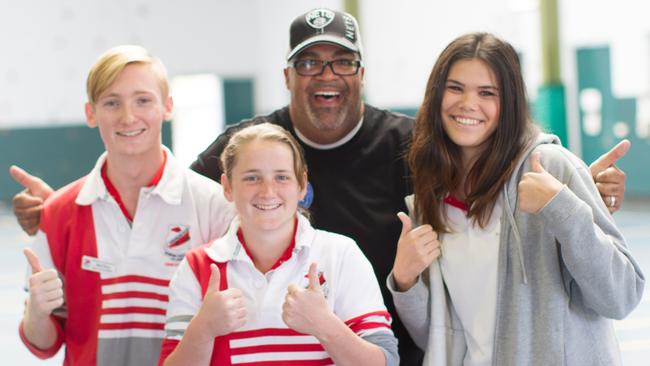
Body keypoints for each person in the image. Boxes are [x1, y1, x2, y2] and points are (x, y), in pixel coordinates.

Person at [9, 8, 630, 366]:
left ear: (360, 74)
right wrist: (63, 204)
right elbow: (155, 179)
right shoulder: (251, 144)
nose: (325, 75)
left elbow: (492, 170)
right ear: (288, 75)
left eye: (340, 62)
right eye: (310, 62)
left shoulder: (414, 149)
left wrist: (574, 194)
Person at [388, 32, 644, 366]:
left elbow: (621, 296)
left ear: (508, 103)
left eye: (487, 93)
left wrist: (563, 208)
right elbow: (437, 337)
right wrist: (405, 281)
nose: (468, 103)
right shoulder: (431, 199)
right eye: (455, 88)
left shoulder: (550, 167)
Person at [18, 45, 233, 366]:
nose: (128, 117)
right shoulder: (59, 211)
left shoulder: (215, 205)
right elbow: (44, 344)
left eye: (143, 100)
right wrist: (36, 312)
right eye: (112, 103)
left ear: (167, 106)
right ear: (91, 113)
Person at [158, 123, 398, 365]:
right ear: (228, 187)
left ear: (302, 186)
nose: (267, 191)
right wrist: (202, 330)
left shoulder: (341, 255)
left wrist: (325, 326)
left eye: (281, 177)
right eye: (252, 178)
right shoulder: (198, 267)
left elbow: (386, 361)